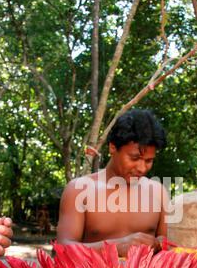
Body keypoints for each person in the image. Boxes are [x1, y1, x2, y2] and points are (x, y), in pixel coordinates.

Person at [57, 109, 169, 257]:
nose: (142, 168)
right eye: (134, 158)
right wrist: (116, 247)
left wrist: (160, 244)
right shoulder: (79, 190)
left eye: (149, 161)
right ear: (112, 147)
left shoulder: (159, 192)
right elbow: (62, 250)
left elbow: (170, 245)